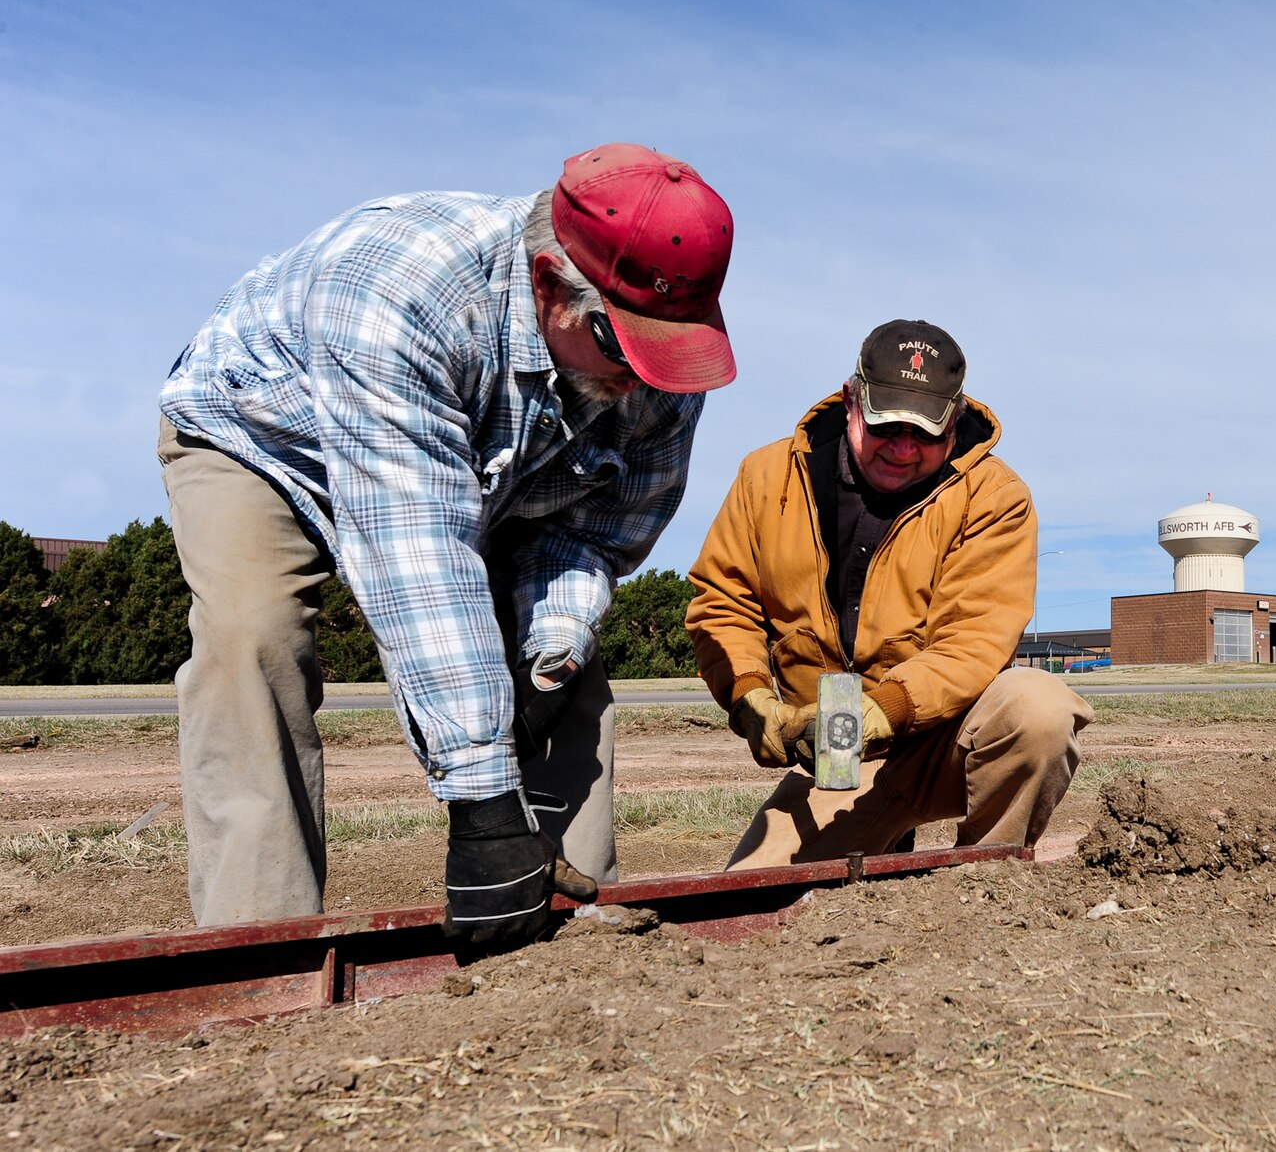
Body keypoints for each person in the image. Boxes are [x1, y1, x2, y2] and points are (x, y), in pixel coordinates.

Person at [158, 143, 736, 947]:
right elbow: (418, 552)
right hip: (267, 437)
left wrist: (551, 649)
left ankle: (574, 937)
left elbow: (595, 533)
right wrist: (483, 801)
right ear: (550, 289)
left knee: (568, 674)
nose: (644, 382)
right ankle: (261, 949)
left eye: (665, 354)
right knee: (253, 639)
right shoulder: (401, 291)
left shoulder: (653, 363)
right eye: (622, 347)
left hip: (491, 462)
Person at [685, 320, 1094, 868]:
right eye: (886, 425)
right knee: (750, 902)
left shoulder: (995, 497)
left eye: (926, 432)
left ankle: (988, 885)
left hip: (945, 745)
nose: (903, 449)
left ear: (955, 417)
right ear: (853, 400)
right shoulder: (768, 477)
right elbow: (724, 602)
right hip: (834, 758)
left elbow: (974, 638)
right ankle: (871, 845)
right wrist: (748, 691)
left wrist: (889, 707)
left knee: (1038, 709)